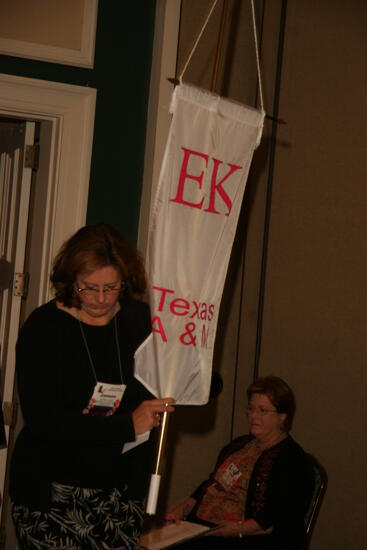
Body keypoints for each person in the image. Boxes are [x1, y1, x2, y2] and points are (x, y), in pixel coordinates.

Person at [10, 223, 175, 549]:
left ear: (125, 281)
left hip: (120, 496)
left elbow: (196, 379)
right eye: (88, 288)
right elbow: (44, 420)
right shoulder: (43, 329)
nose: (100, 298)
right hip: (52, 495)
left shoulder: (140, 321)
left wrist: (190, 367)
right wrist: (127, 426)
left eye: (111, 287)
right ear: (71, 280)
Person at [165, 376, 314, 549]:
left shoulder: (293, 461)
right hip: (201, 527)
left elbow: (277, 518)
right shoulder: (239, 446)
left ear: (282, 417)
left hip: (243, 537)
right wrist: (183, 508)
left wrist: (234, 530)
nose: (253, 416)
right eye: (251, 408)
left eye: (262, 410)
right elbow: (214, 483)